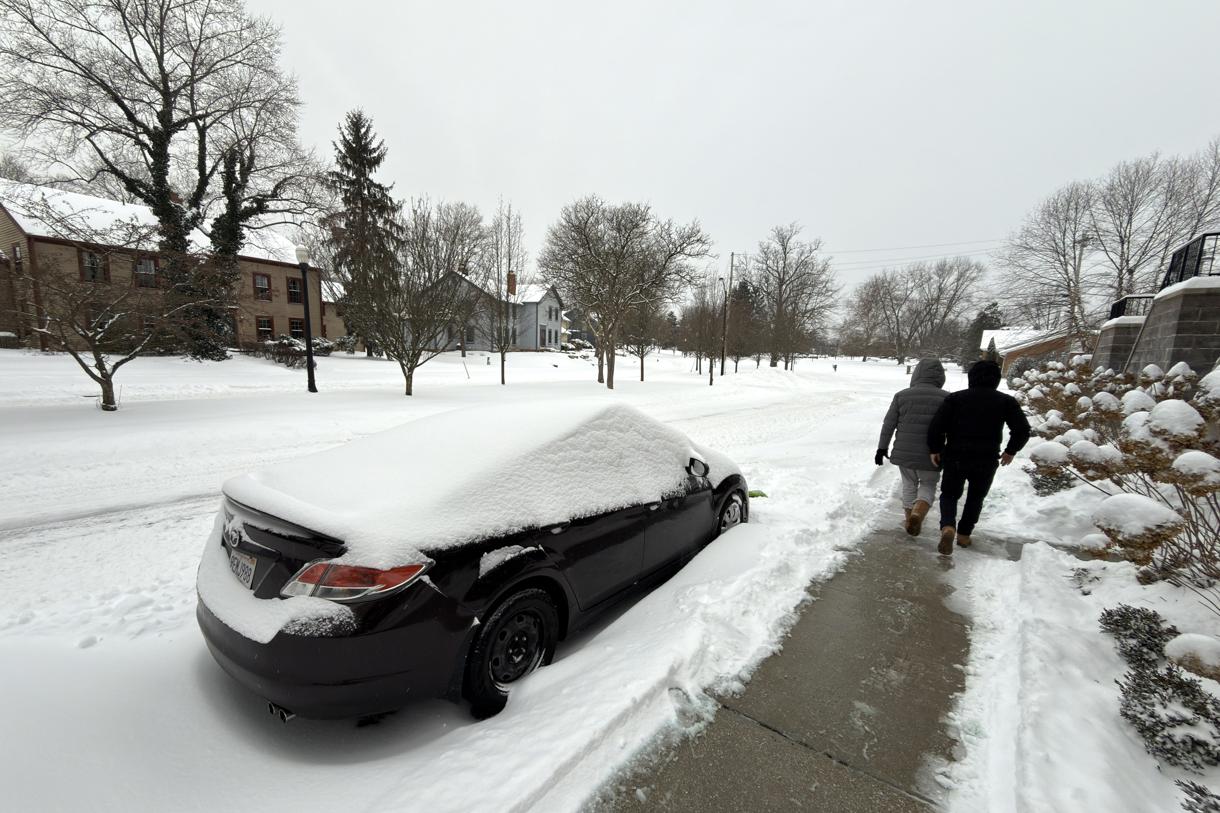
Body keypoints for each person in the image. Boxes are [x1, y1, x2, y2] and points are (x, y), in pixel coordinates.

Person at [926, 359, 1031, 555]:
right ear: (996, 379)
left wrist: (935, 448)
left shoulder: (956, 398)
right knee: (976, 496)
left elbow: (937, 426)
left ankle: (948, 526)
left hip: (956, 454)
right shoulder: (1005, 400)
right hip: (986, 456)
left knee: (949, 493)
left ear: (971, 378)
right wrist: (1010, 451)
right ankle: (964, 534)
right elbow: (1023, 430)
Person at [876, 358, 949, 536]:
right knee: (928, 483)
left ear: (916, 374)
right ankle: (919, 512)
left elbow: (889, 424)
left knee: (909, 483)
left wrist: (882, 448)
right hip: (933, 453)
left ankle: (910, 519)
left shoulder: (902, 395)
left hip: (905, 451)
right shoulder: (947, 398)